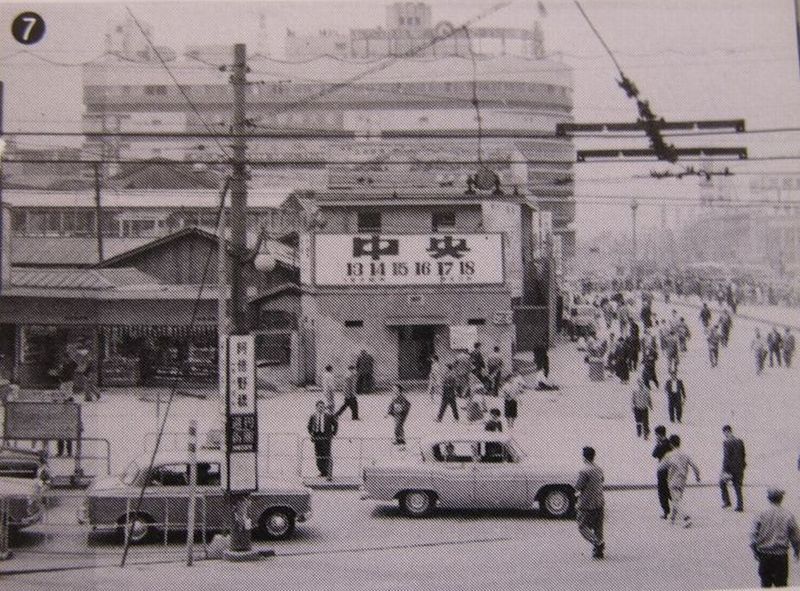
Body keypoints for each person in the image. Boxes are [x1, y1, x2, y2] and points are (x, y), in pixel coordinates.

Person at [750, 488, 800, 588]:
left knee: (765, 583)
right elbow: (795, 537)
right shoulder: (788, 515)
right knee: (781, 584)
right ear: (781, 499)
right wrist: (796, 551)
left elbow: (753, 535)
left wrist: (755, 551)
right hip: (780, 555)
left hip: (764, 554)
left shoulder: (761, 514)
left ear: (768, 498)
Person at [658, 434, 701, 528]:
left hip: (673, 480)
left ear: (671, 444)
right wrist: (697, 477)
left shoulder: (669, 455)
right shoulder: (685, 454)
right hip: (683, 481)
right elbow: (695, 467)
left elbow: (660, 468)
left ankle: (686, 518)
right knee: (677, 499)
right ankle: (672, 519)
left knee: (676, 501)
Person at [575, 446, 605, 560]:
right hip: (599, 501)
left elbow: (578, 486)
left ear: (584, 457)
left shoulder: (584, 471)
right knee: (598, 527)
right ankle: (598, 551)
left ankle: (597, 543)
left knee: (582, 525)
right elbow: (602, 480)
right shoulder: (599, 468)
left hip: (587, 503)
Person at [307, 401, 338, 480]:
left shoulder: (328, 416)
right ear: (316, 407)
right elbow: (309, 426)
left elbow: (335, 424)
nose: (321, 408)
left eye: (322, 407)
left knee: (327, 454)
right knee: (319, 455)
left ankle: (329, 473)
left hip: (326, 437)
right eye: (319, 407)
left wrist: (333, 433)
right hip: (317, 437)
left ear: (324, 408)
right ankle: (322, 471)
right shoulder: (313, 416)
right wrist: (312, 433)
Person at [719, 425, 746, 512]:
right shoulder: (740, 441)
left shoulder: (726, 442)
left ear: (727, 432)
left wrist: (724, 470)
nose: (725, 434)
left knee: (722, 483)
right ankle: (740, 506)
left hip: (730, 469)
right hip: (739, 468)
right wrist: (743, 465)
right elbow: (743, 454)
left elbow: (726, 457)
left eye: (725, 432)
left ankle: (727, 501)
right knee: (737, 486)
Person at [652, 425, 673, 519]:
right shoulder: (670, 443)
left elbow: (654, 454)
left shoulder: (663, 444)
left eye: (656, 435)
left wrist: (657, 444)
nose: (656, 436)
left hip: (663, 469)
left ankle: (666, 511)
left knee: (662, 491)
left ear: (659, 434)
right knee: (669, 490)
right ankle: (676, 508)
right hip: (670, 469)